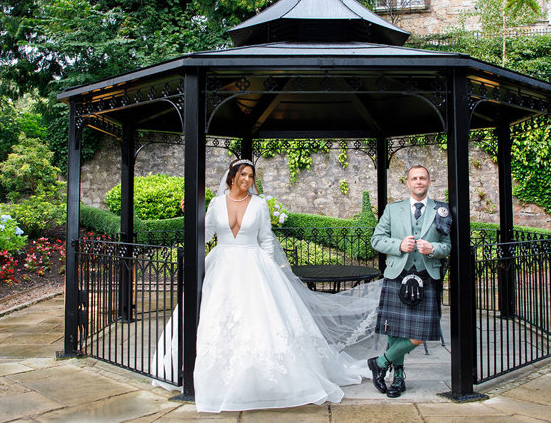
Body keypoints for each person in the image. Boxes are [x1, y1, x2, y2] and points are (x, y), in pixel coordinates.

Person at [152, 159, 380, 412]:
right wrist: (189, 216)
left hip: (254, 265)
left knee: (260, 320)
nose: (247, 180)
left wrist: (273, 271)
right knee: (218, 318)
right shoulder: (216, 204)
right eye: (243, 175)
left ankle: (267, 381)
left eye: (251, 176)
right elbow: (205, 236)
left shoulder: (259, 205)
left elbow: (266, 240)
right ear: (231, 177)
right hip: (222, 265)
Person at [367, 165, 451, 398]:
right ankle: (398, 377)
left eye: (422, 178)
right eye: (414, 178)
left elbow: (448, 245)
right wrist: (398, 246)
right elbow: (377, 239)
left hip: (426, 276)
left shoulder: (440, 210)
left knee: (421, 332)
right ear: (407, 183)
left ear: (429, 181)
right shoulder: (393, 210)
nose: (418, 182)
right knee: (396, 330)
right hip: (398, 274)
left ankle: (381, 362)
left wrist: (433, 248)